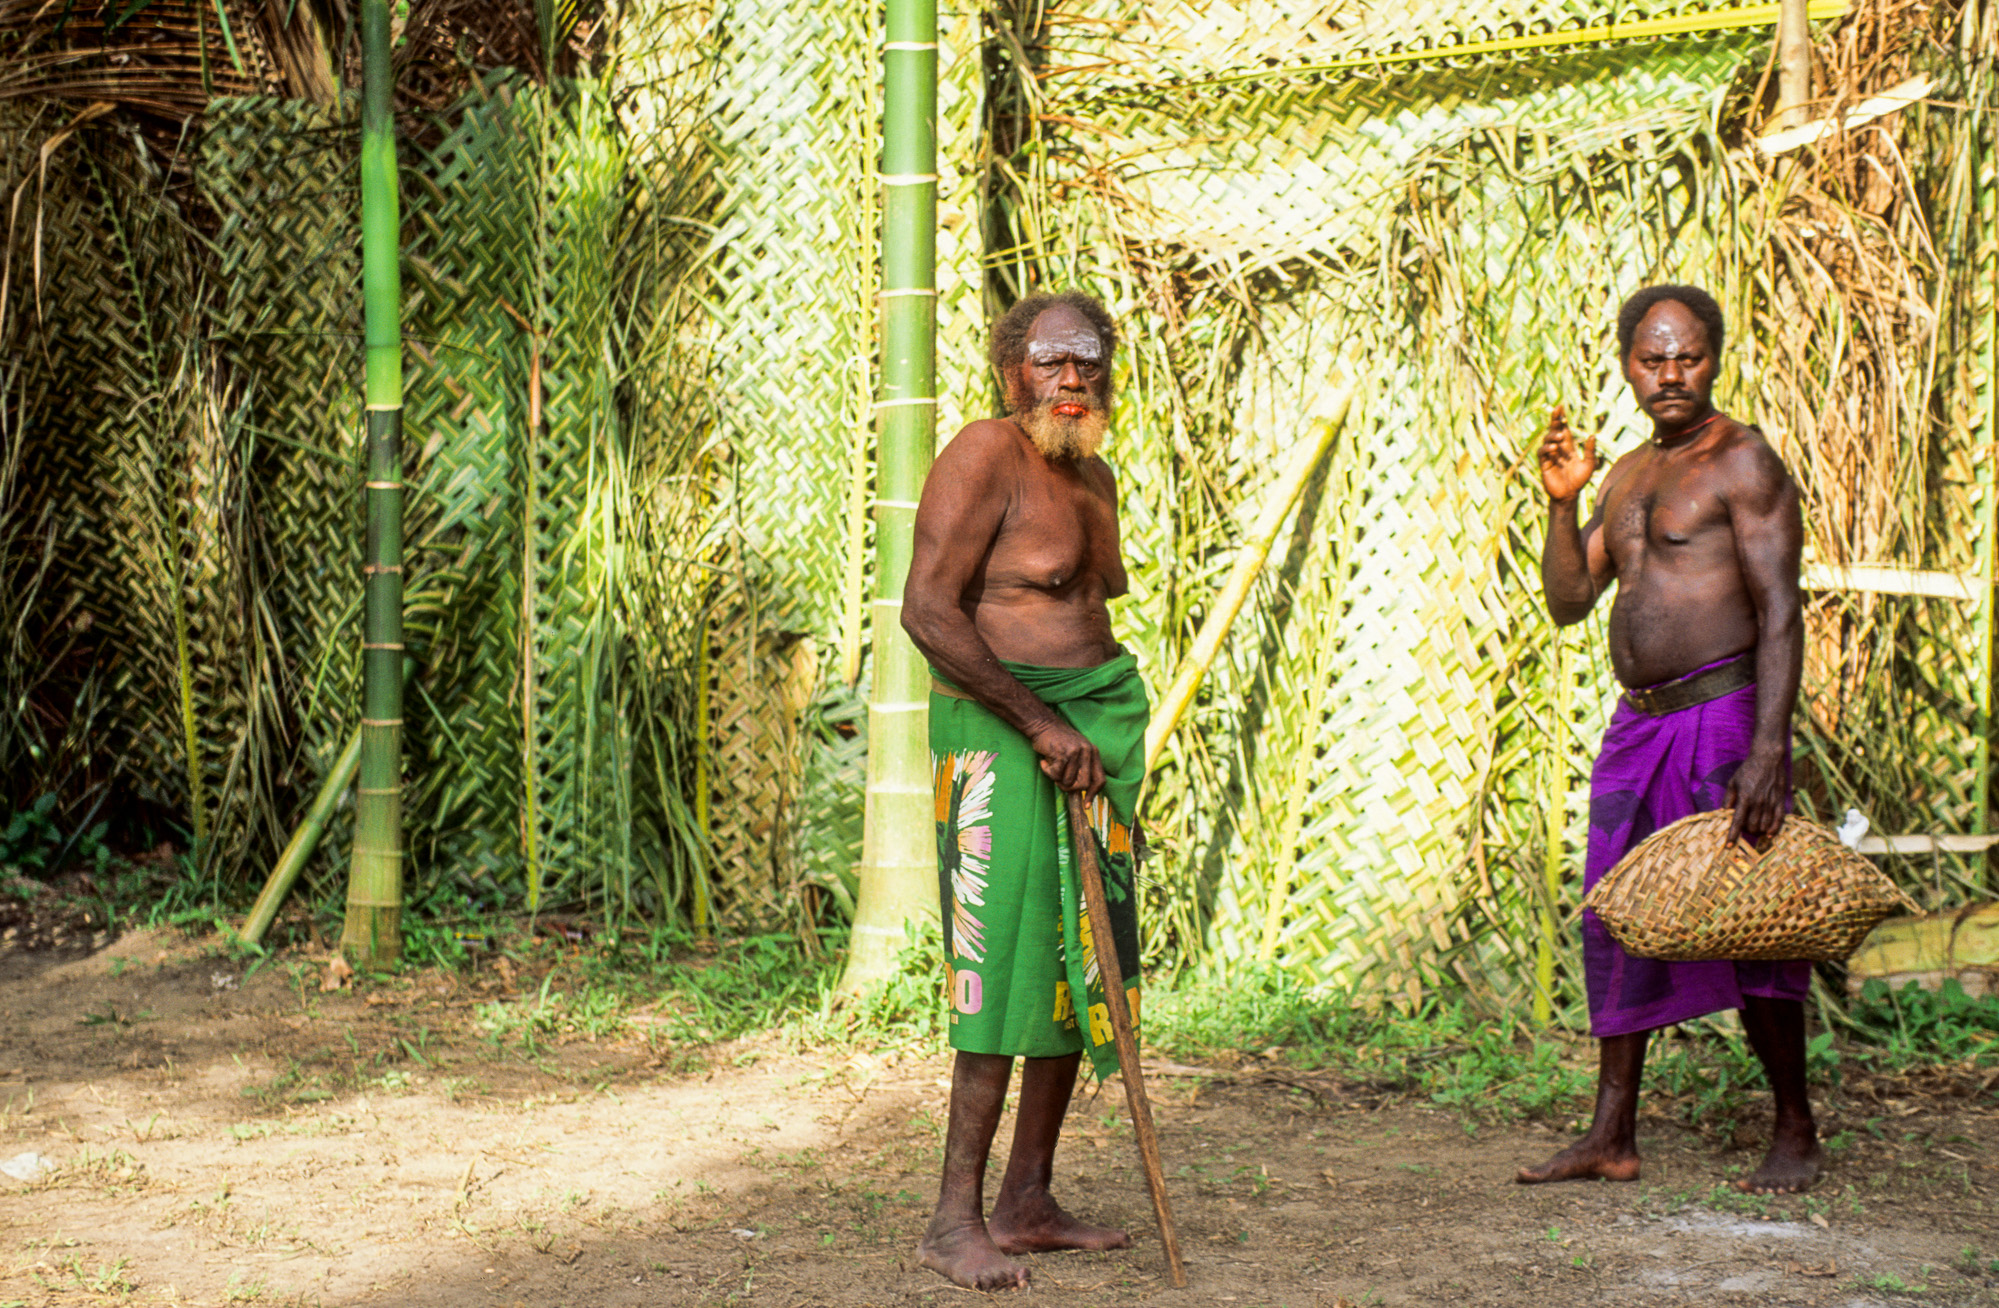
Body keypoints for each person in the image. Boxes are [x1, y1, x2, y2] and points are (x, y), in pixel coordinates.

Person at [1521, 284, 1823, 1195]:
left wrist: (1766, 749)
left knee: (1754, 918)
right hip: (1638, 727)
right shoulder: (1623, 476)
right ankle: (1610, 1133)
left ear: (1715, 358)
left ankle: (1794, 1130)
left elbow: (1780, 611)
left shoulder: (1743, 462)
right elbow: (1570, 603)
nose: (1669, 375)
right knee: (1616, 914)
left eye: (1686, 356)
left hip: (1723, 715)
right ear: (1626, 365)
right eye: (1652, 359)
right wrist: (1560, 504)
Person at [900, 290, 1151, 1290]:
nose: (1071, 378)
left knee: (1079, 960)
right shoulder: (980, 455)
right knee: (999, 964)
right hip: (1003, 733)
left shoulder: (1096, 478)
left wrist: (1085, 724)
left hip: (1090, 734)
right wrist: (1040, 723)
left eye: (1087, 360)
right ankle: (951, 1218)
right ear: (1012, 371)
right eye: (1050, 362)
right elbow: (928, 611)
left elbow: (1085, 608)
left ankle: (1027, 1200)